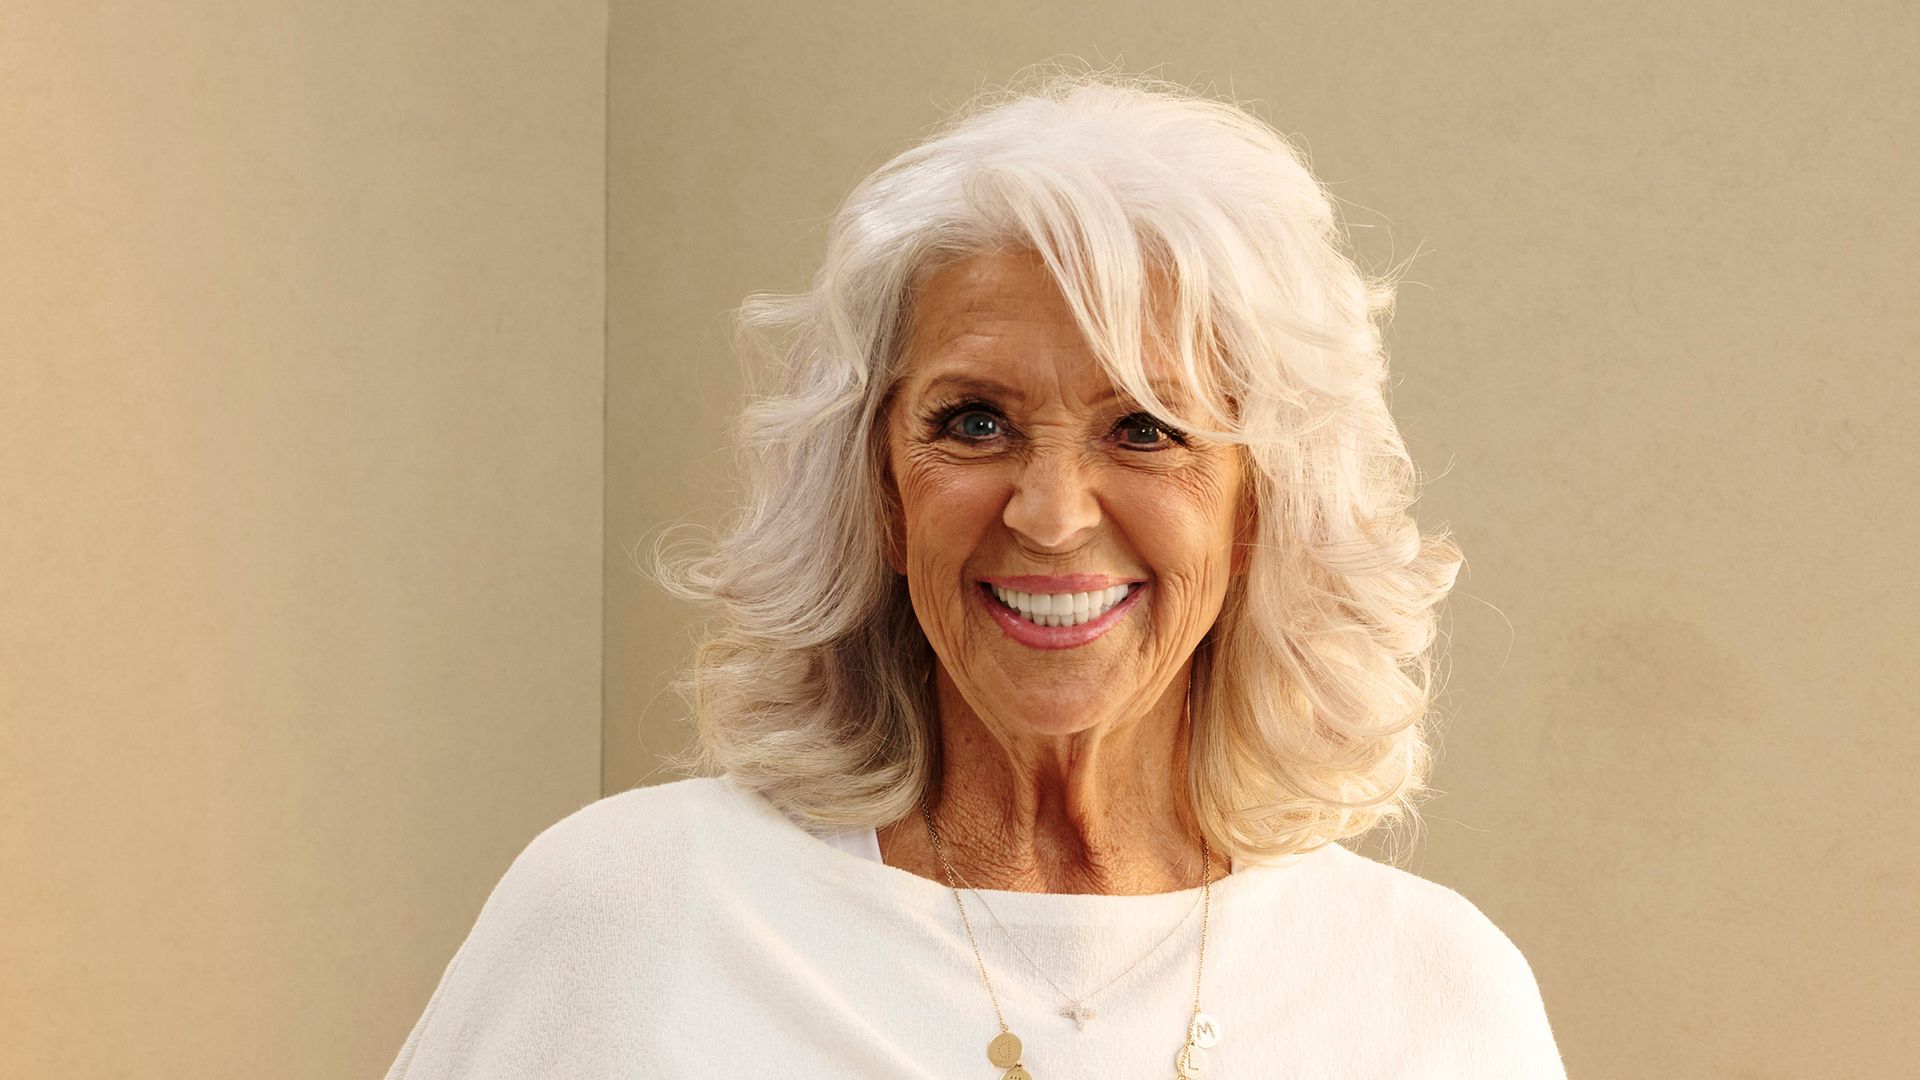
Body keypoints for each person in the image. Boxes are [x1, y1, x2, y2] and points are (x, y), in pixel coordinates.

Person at [384, 70, 1566, 1079]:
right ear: (878, 486)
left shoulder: (1432, 995)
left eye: (1148, 428)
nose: (1050, 516)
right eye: (975, 422)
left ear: (1264, 505)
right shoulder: (634, 908)